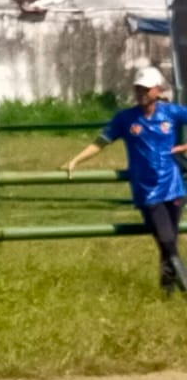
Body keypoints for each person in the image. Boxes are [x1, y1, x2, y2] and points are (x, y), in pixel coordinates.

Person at [64, 65, 187, 294]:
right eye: (138, 88)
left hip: (174, 187)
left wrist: (184, 146)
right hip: (148, 191)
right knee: (167, 240)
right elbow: (101, 142)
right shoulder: (125, 119)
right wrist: (76, 160)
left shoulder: (171, 113)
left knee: (168, 243)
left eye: (146, 89)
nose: (141, 93)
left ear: (157, 90)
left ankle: (167, 293)